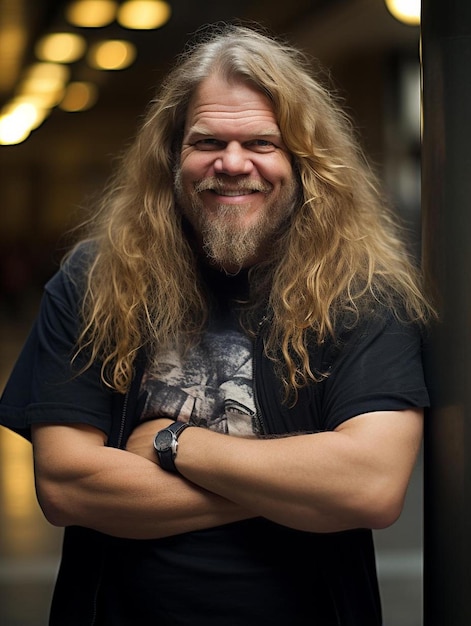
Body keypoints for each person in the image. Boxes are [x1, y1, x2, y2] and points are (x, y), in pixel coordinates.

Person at [0, 22, 434, 626]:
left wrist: (175, 443)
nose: (232, 164)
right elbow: (68, 487)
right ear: (171, 156)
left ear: (304, 161)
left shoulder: (361, 291)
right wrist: (295, 487)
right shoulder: (96, 277)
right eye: (207, 141)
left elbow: (368, 487)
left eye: (262, 142)